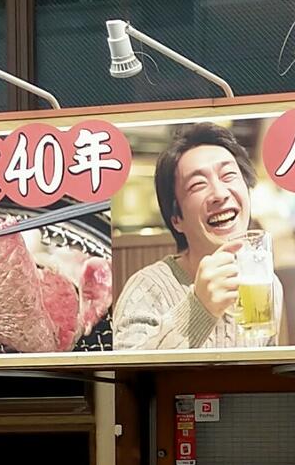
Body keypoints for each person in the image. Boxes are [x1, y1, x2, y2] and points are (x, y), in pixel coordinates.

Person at [110, 124, 284, 351]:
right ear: (176, 219)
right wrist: (199, 308)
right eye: (198, 184)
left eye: (229, 175)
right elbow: (129, 376)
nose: (220, 194)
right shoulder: (148, 289)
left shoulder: (267, 283)